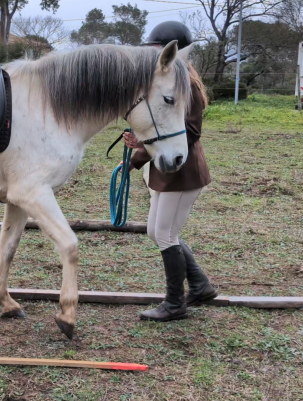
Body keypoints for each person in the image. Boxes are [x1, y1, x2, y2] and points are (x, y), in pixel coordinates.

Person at [122, 20, 218, 322]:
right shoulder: (168, 79)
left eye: (156, 48)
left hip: (182, 172)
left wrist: (140, 150)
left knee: (164, 234)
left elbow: (190, 131)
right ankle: (200, 285)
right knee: (157, 232)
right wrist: (139, 148)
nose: (153, 54)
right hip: (169, 171)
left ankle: (175, 303)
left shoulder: (185, 84)